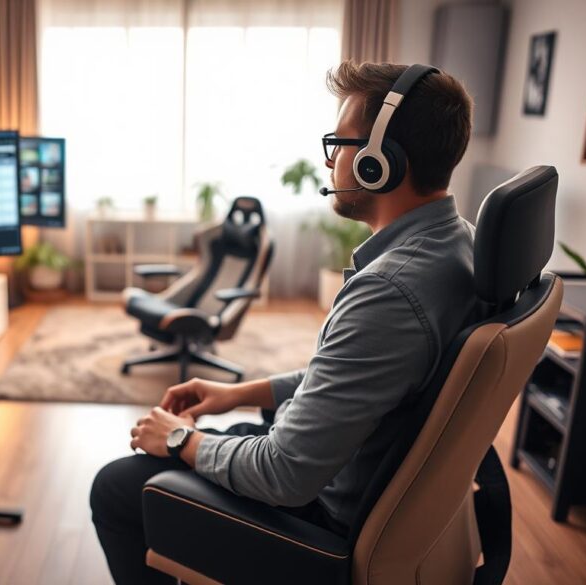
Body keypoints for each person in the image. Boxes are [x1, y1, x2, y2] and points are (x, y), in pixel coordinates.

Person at [90, 61, 479, 584]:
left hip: (321, 521)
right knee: (215, 438)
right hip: (351, 471)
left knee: (117, 488)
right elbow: (355, 379)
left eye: (339, 144)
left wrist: (181, 439)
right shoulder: (456, 244)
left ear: (380, 163)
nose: (329, 161)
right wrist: (239, 393)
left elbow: (284, 473)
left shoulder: (390, 291)